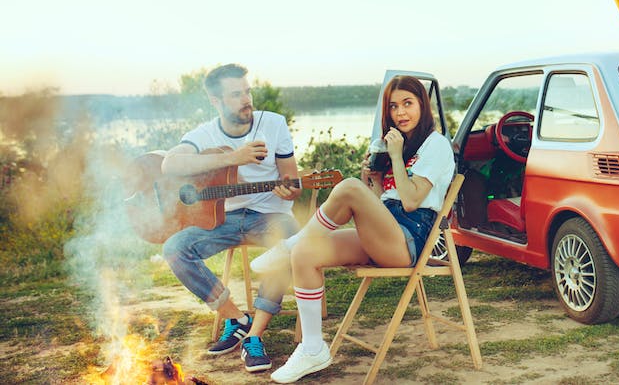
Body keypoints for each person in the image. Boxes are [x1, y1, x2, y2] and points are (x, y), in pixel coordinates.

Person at [251, 75, 455, 383]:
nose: (401, 113)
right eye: (394, 107)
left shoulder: (435, 146)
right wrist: (373, 182)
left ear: (422, 106)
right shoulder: (399, 144)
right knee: (307, 253)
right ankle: (312, 348)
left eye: (408, 104)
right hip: (387, 230)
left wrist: (396, 158)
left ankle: (287, 245)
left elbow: (412, 201)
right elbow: (382, 204)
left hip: (409, 240)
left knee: (347, 188)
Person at [160, 63, 301, 374]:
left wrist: (288, 191)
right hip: (221, 217)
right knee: (174, 249)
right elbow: (169, 165)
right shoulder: (204, 134)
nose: (246, 99)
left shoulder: (274, 124)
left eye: (247, 91)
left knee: (291, 242)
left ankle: (254, 336)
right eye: (236, 94)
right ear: (216, 101)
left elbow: (292, 181)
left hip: (270, 214)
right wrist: (232, 158)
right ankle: (235, 317)